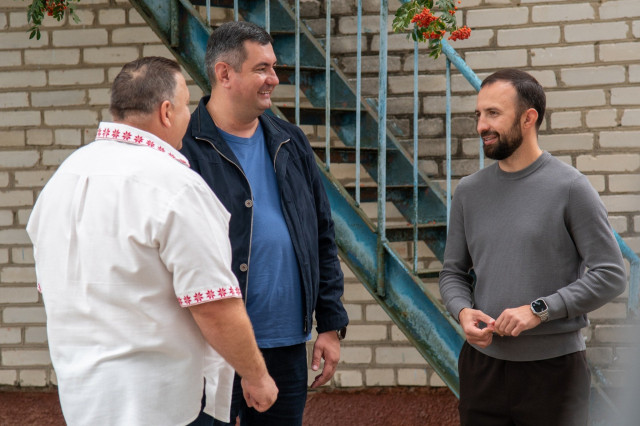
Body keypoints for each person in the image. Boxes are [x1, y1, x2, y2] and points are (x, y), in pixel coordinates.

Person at [26, 57, 278, 426]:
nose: (189, 115)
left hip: (84, 399)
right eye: (186, 105)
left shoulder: (64, 179)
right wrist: (257, 376)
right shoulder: (175, 186)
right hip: (163, 402)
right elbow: (214, 305)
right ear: (166, 112)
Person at [180, 21, 349, 425]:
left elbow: (321, 235)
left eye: (273, 67)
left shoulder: (290, 141)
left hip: (286, 346)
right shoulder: (185, 147)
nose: (274, 78)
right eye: (262, 68)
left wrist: (330, 325)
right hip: (209, 349)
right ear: (224, 74)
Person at [439, 68, 627, 426]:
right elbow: (452, 273)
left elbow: (611, 274)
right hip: (481, 370)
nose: (481, 126)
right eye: (478, 114)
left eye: (493, 113)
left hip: (554, 373)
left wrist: (539, 310)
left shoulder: (571, 187)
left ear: (528, 118)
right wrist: (462, 311)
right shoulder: (468, 192)